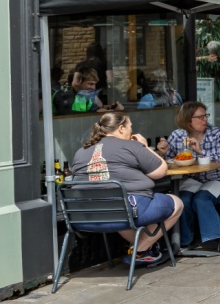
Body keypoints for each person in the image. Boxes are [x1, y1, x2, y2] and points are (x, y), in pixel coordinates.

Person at [71, 112, 183, 267]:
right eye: (130, 127)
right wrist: (143, 146)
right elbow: (161, 171)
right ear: (121, 128)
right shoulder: (132, 146)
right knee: (177, 202)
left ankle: (147, 250)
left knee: (117, 204)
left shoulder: (81, 151)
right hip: (127, 212)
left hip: (87, 217)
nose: (132, 131)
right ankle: (139, 250)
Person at [165, 101, 220, 256]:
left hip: (219, 178)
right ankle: (184, 241)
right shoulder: (177, 136)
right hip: (191, 179)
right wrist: (162, 151)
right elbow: (169, 160)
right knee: (182, 200)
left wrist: (200, 151)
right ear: (188, 120)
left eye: (206, 115)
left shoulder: (216, 133)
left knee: (201, 199)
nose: (205, 120)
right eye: (200, 117)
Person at [53, 67, 122, 115]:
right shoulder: (65, 95)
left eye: (94, 84)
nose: (93, 88)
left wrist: (112, 108)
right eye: (90, 84)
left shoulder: (83, 96)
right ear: (78, 82)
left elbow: (96, 108)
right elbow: (73, 116)